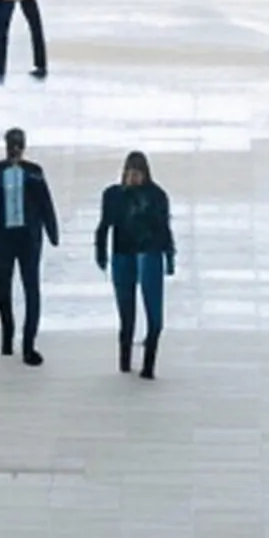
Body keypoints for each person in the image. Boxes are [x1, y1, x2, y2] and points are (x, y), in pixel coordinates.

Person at [0, 125, 59, 364]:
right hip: (2, 238)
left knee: (31, 287)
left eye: (18, 145)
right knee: (3, 287)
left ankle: (28, 344)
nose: (14, 149)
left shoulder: (34, 172)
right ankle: (7, 336)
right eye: (11, 145)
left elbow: (45, 203)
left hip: (29, 238)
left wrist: (52, 231)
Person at [95, 150, 176, 379]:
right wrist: (100, 251)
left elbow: (164, 227)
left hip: (150, 253)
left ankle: (149, 364)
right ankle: (124, 360)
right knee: (126, 313)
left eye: (138, 174)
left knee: (155, 316)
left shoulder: (157, 195)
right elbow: (104, 226)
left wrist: (169, 256)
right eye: (129, 173)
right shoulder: (113, 195)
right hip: (123, 254)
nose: (133, 178)